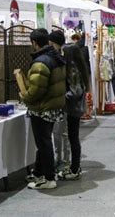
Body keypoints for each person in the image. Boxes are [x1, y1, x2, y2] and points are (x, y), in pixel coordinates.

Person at [21, 28, 66, 190]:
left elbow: (36, 90)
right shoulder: (56, 58)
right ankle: (39, 173)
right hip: (53, 107)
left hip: (42, 108)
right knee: (44, 141)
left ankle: (49, 178)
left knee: (44, 143)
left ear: (34, 43)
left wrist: (24, 96)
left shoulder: (41, 62)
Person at [57, 44, 90, 180]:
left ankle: (75, 168)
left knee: (73, 137)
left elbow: (75, 91)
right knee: (73, 137)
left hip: (73, 107)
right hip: (75, 107)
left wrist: (61, 96)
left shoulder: (73, 70)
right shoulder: (79, 67)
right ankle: (75, 167)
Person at [49, 30, 70, 169]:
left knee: (60, 132)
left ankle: (63, 159)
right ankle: (62, 158)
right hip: (63, 98)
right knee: (61, 132)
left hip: (61, 99)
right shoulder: (61, 57)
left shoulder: (58, 58)